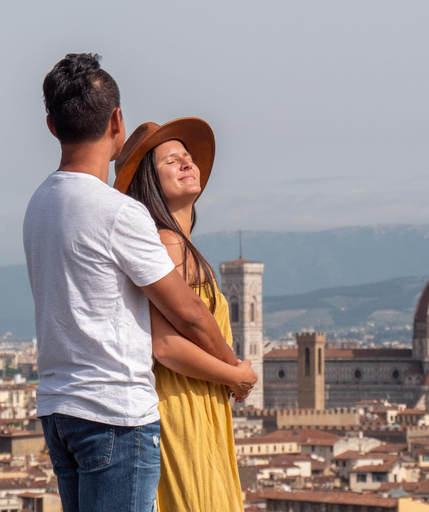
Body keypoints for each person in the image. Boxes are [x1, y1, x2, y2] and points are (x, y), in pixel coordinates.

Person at [23, 54, 255, 512]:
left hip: (59, 406)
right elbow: (186, 314)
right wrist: (236, 372)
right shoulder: (119, 213)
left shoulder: (39, 205)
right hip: (115, 413)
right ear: (116, 121)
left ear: (52, 125)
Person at [113, 118, 252, 511]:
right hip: (182, 405)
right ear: (150, 184)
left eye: (187, 157)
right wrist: (237, 376)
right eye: (171, 161)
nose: (187, 163)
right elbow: (167, 346)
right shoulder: (168, 243)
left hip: (199, 402)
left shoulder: (181, 245)